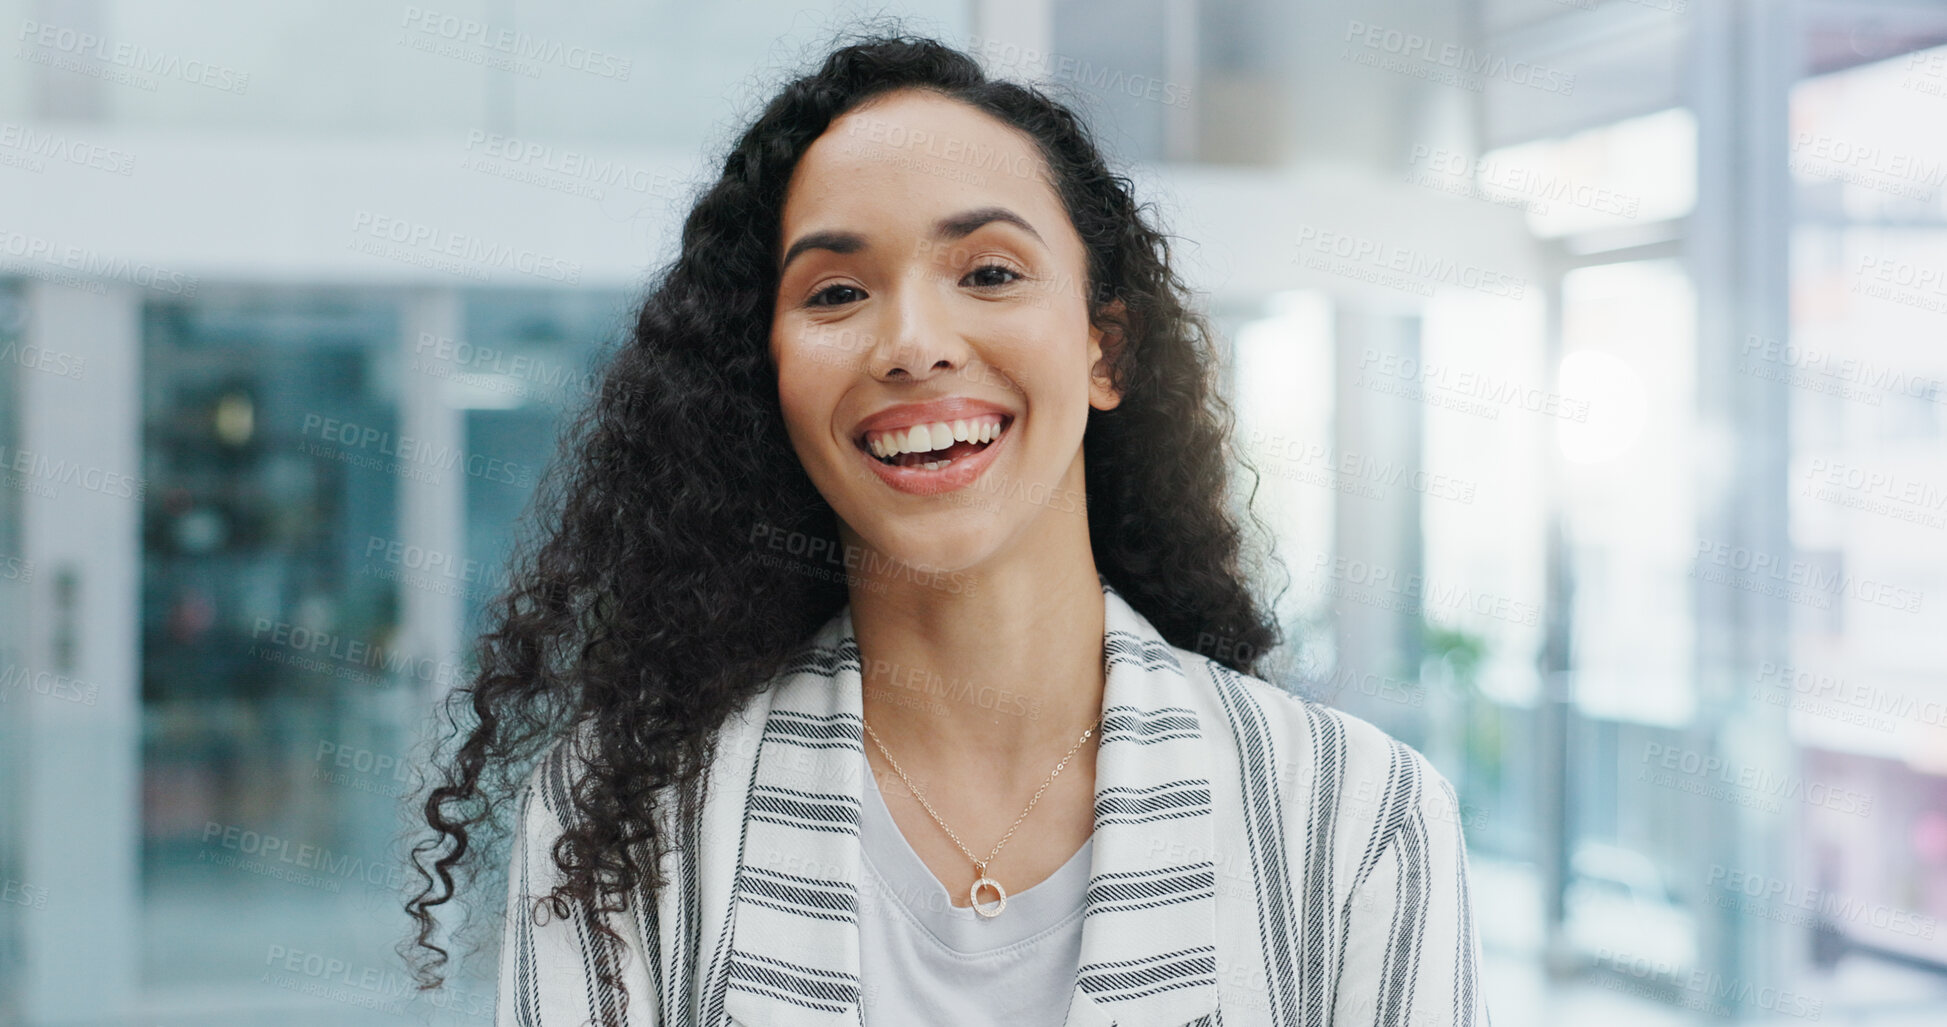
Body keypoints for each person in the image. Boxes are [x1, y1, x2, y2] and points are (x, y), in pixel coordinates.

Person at [406, 30, 1489, 1027]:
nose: (913, 343)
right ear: (765, 374)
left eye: (989, 273)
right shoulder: (626, 824)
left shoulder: (1360, 822)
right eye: (835, 293)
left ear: (1105, 349)